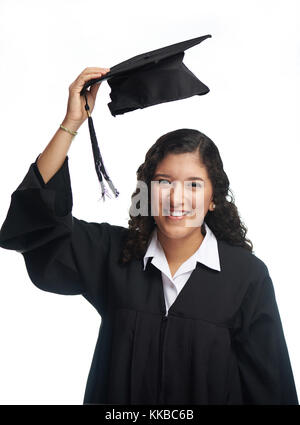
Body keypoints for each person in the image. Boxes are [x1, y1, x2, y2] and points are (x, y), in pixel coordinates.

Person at [0, 67, 298, 405]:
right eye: (164, 182)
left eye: (194, 185)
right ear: (148, 191)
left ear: (214, 198)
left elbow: (271, 391)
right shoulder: (114, 255)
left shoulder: (246, 277)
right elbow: (39, 225)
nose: (176, 197)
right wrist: (71, 124)